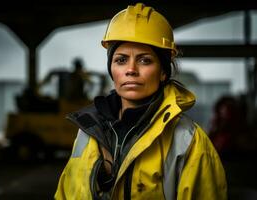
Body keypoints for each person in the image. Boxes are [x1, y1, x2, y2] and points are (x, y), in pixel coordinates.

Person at [55, 3, 227, 200]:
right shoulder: (88, 131)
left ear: (163, 72)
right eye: (121, 60)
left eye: (145, 60)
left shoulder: (188, 140)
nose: (131, 69)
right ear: (112, 70)